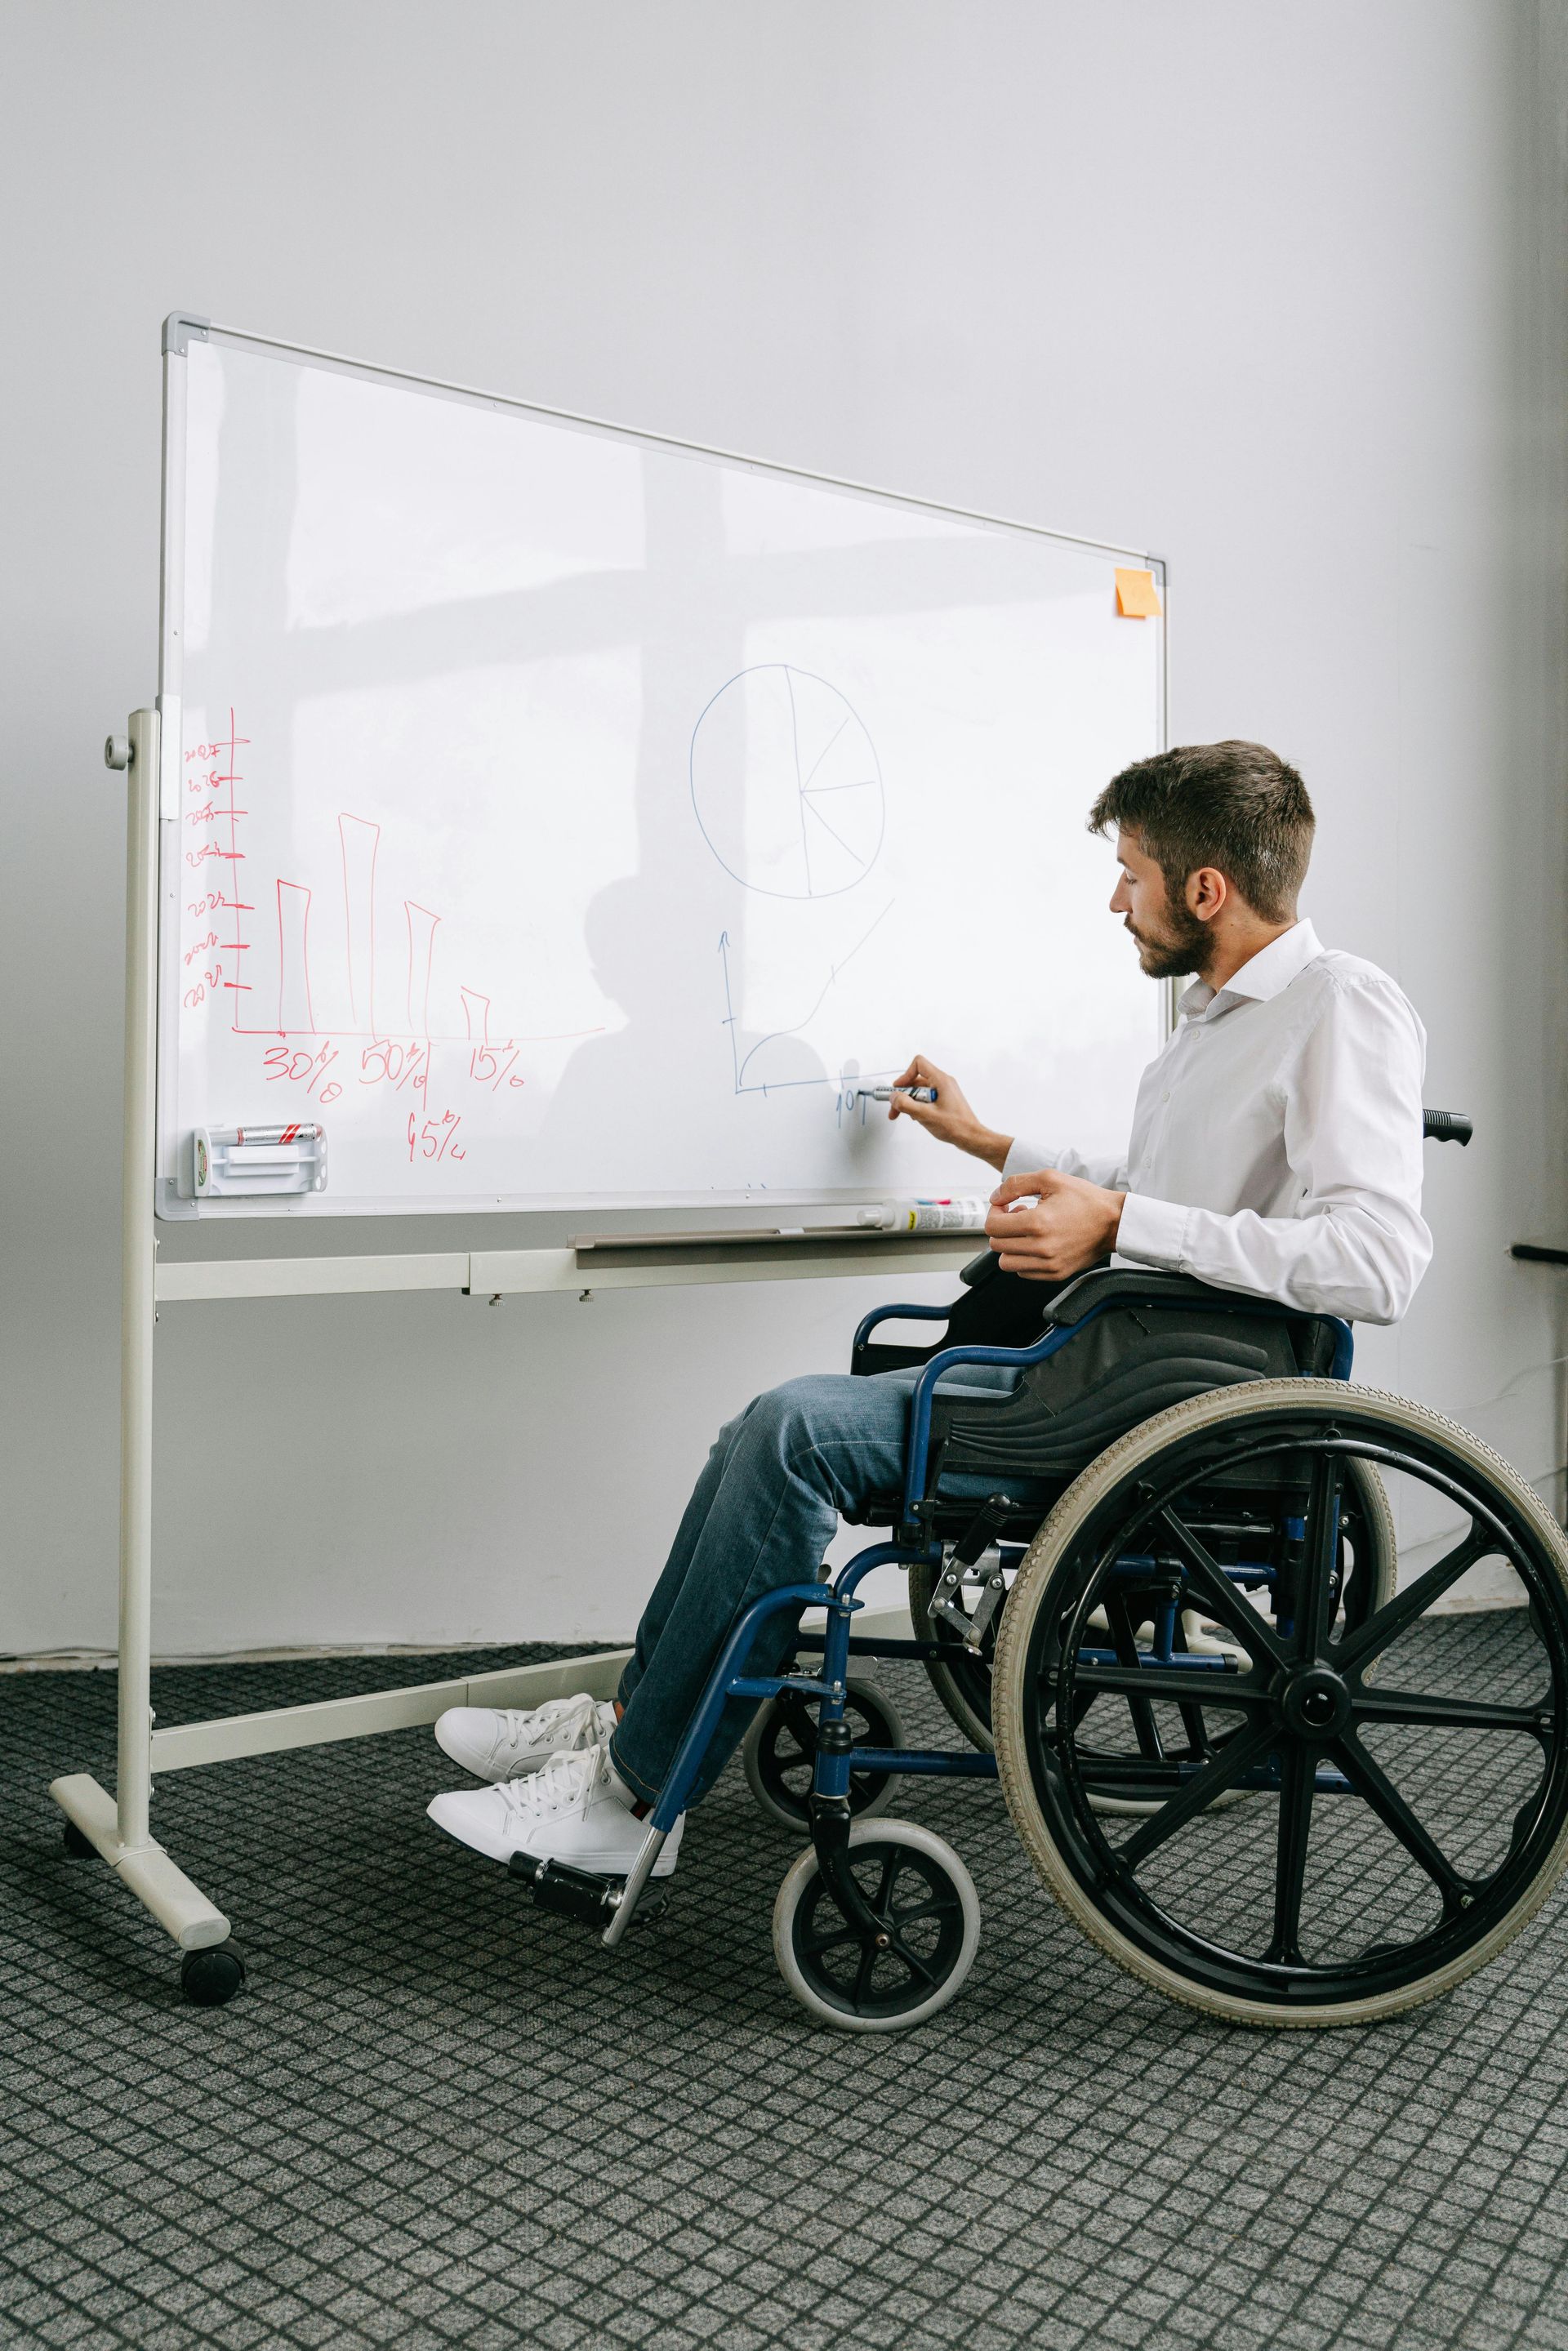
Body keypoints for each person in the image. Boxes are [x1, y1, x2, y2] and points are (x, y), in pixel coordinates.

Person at [426, 739, 1432, 1882]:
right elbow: (1154, 1187)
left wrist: (1116, 1228)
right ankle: (630, 1727)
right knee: (759, 1432)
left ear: (1207, 890)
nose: (1118, 898)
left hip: (1160, 1398)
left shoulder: (1340, 1006)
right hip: (1109, 1364)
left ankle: (632, 1805)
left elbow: (1378, 1258)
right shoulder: (1214, 1022)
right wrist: (989, 1141)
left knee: (791, 1432)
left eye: (1133, 872)